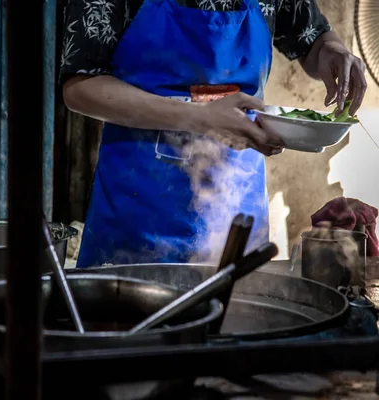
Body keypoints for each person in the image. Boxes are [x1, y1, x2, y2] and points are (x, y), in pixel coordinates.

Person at [60, 0, 367, 268]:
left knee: (238, 322)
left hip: (236, 214)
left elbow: (310, 39)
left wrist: (333, 51)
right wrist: (199, 118)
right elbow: (80, 87)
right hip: (138, 212)